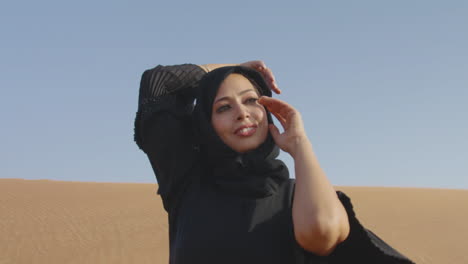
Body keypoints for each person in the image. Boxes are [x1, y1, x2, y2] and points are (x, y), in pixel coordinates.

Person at [134, 61, 415, 263]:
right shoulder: (186, 183)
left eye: (251, 101)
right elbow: (157, 84)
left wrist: (300, 145)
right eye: (224, 107)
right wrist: (230, 68)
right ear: (207, 124)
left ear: (267, 111)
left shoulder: (298, 196)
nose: (242, 113)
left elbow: (323, 232)